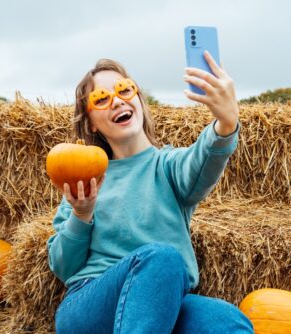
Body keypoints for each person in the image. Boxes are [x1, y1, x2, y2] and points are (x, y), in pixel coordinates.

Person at [47, 52, 253, 334]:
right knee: (163, 259)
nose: (117, 100)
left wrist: (226, 125)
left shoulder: (169, 168)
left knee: (227, 320)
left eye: (124, 89)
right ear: (92, 122)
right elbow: (64, 267)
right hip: (91, 304)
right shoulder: (87, 179)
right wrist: (81, 215)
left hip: (160, 304)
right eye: (102, 98)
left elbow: (203, 159)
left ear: (138, 99)